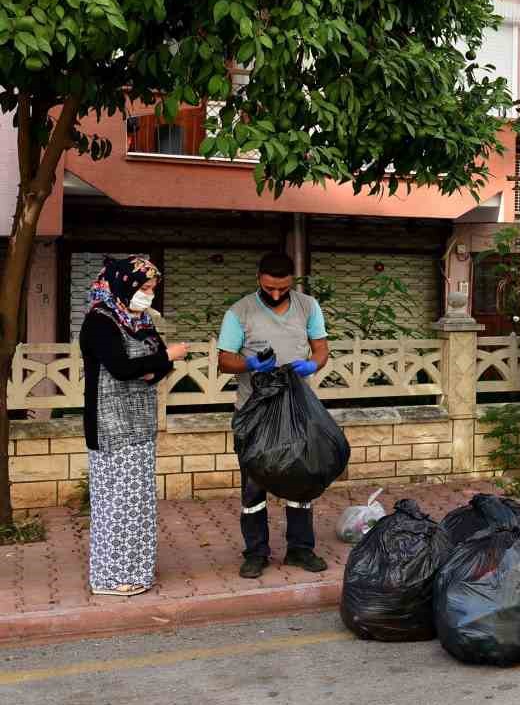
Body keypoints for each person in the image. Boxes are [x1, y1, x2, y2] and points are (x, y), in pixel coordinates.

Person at [78, 257, 190, 596]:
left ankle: (136, 572)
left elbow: (151, 367)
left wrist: (155, 365)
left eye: (152, 289)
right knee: (115, 505)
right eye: (144, 288)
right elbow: (123, 367)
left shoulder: (138, 320)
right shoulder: (101, 321)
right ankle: (110, 577)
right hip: (111, 427)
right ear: (125, 285)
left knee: (138, 505)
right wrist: (165, 358)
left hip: (140, 424)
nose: (149, 295)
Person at [217, 251, 331, 578]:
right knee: (254, 485)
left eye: (283, 287)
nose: (277, 294)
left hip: (297, 409)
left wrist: (313, 363)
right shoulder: (239, 312)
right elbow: (225, 360)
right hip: (255, 413)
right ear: (259, 280)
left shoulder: (308, 306)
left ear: (292, 281)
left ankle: (300, 549)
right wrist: (250, 363)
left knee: (302, 478)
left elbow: (321, 348)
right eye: (270, 288)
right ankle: (256, 553)